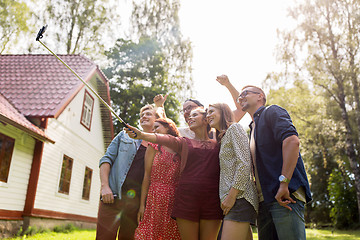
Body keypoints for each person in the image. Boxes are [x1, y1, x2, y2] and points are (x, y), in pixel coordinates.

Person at [125, 108, 223, 240]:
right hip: (186, 201)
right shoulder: (184, 142)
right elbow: (164, 138)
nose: (190, 118)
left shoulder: (219, 144)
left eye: (195, 115)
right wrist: (141, 135)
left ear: (206, 119)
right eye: (189, 116)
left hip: (212, 201)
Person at [237, 85, 312, 240]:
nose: (241, 97)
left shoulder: (272, 111)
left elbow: (292, 142)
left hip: (284, 196)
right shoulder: (252, 128)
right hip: (264, 201)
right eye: (239, 96)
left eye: (245, 93)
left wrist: (284, 183)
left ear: (260, 96)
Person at [96, 104, 163, 240]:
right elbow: (106, 159)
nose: (144, 116)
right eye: (142, 115)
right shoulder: (124, 136)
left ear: (158, 119)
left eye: (148, 114)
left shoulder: (161, 146)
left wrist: (144, 206)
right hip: (112, 197)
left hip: (136, 206)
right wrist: (105, 187)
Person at [207, 103, 258, 240]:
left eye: (211, 111)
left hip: (239, 198)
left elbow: (244, 163)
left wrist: (231, 196)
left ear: (223, 112)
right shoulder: (223, 137)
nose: (208, 115)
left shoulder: (234, 128)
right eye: (206, 113)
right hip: (233, 200)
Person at [135, 118, 181, 239]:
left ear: (168, 128)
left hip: (174, 198)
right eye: (153, 128)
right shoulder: (153, 146)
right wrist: (142, 205)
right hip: (154, 196)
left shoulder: (180, 148)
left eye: (157, 127)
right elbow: (147, 175)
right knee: (150, 233)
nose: (154, 130)